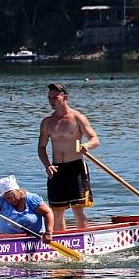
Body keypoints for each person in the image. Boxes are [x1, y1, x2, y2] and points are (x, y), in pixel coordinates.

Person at [38, 82, 100, 232]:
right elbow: (41, 147)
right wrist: (47, 165)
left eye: (55, 97)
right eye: (49, 98)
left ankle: (84, 242)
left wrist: (86, 146)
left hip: (76, 167)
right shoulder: (47, 122)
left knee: (78, 209)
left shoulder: (77, 118)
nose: (52, 101)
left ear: (64, 96)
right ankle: (62, 244)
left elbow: (95, 139)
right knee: (57, 210)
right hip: (56, 168)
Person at [0, 175, 54, 242]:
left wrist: (48, 232)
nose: (13, 200)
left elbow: (48, 213)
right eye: (8, 198)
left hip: (35, 237)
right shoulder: (0, 200)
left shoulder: (31, 199)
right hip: (8, 239)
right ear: (4, 197)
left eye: (15, 196)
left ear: (19, 192)